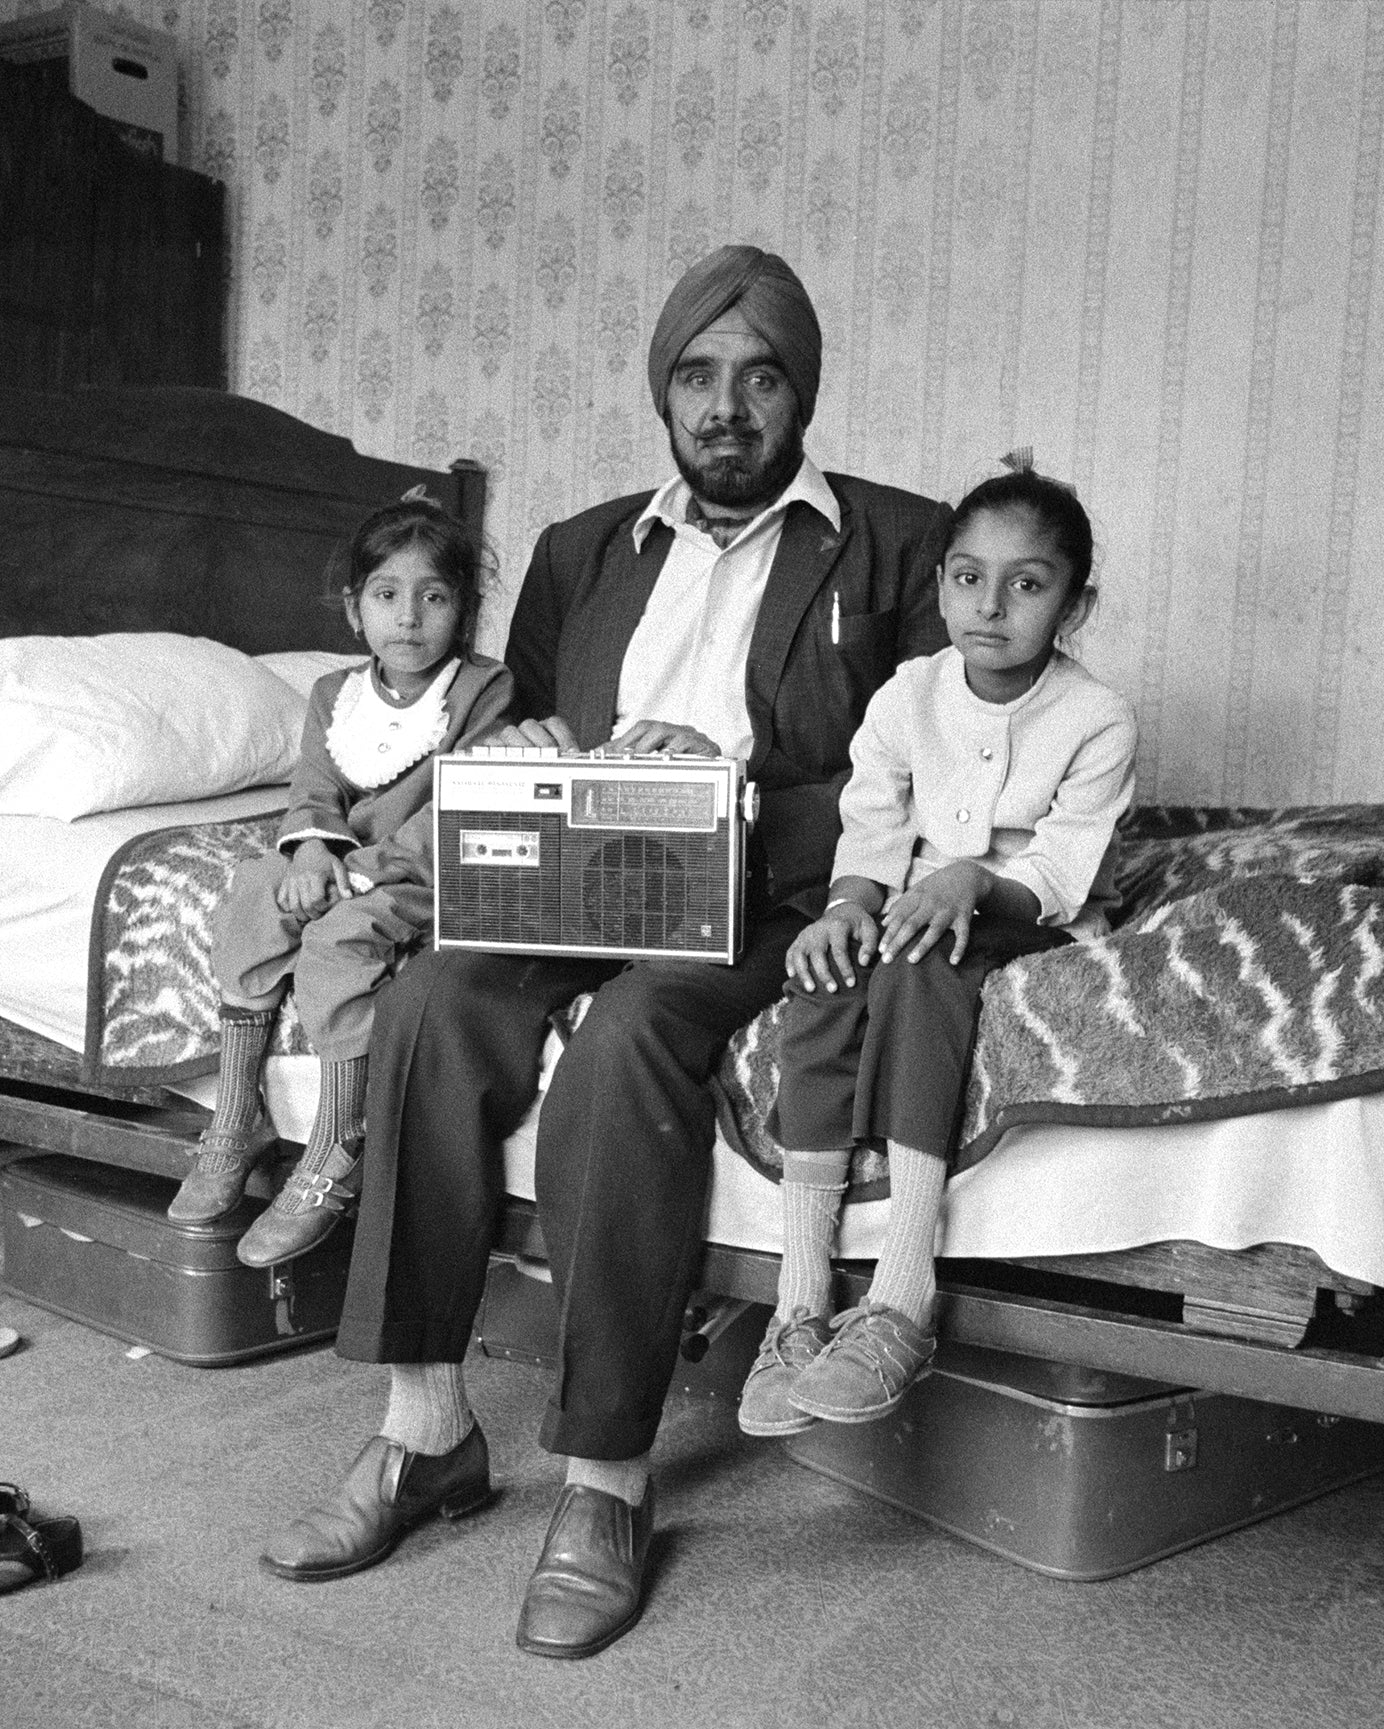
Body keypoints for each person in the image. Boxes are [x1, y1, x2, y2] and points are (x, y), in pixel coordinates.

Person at [259, 244, 952, 1657]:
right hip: (579, 876)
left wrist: (738, 785)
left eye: (760, 375)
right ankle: (423, 1429)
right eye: (698, 375)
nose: (726, 406)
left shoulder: (898, 542)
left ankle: (605, 1482)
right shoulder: (581, 549)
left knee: (633, 1037)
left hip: (760, 893)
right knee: (432, 1001)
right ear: (663, 390)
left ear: (801, 389)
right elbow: (509, 729)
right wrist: (514, 745)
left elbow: (932, 772)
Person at [737, 458, 1138, 1437]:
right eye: (967, 576)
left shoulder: (1096, 719)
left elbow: (1058, 867)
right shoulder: (907, 695)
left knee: (921, 968)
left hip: (1020, 905)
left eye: (1027, 583)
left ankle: (901, 1294)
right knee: (827, 979)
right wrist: (844, 905)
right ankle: (797, 1303)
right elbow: (871, 824)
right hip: (912, 894)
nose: (990, 605)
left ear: (1073, 604)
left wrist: (969, 882)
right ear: (940, 582)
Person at [167, 493, 513, 1268]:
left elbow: (459, 806)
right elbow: (313, 789)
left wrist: (359, 870)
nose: (410, 618)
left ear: (464, 609)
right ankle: (237, 1115)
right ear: (356, 610)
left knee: (337, 941)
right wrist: (314, 853)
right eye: (387, 596)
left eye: (434, 597)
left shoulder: (481, 691)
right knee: (256, 891)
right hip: (344, 860)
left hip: (428, 868)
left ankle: (337, 1143)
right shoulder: (334, 694)